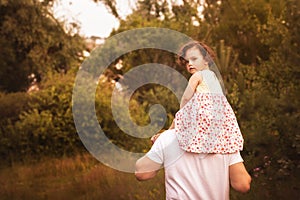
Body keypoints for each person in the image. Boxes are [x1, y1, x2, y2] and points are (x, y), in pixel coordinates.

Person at [135, 41, 251, 199]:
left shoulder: (169, 139)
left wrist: (175, 122)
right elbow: (243, 184)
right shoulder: (226, 141)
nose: (189, 64)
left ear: (206, 59)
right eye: (187, 61)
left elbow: (186, 98)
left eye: (194, 59)